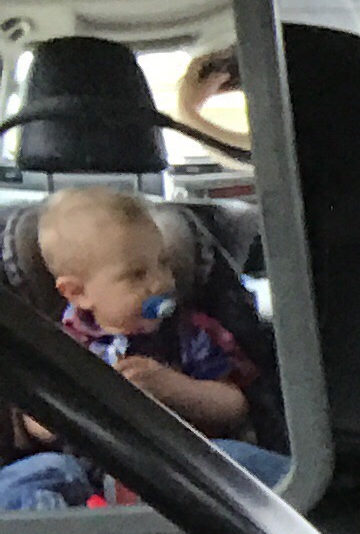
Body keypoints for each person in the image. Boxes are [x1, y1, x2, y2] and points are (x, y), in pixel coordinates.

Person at [0, 185, 287, 511]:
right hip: (86, 474)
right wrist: (69, 402)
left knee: (234, 460)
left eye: (163, 263)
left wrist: (174, 389)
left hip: (177, 466)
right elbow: (33, 426)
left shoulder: (188, 332)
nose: (161, 282)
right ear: (78, 293)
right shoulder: (58, 343)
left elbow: (235, 406)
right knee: (35, 474)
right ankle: (63, 529)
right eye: (136, 275)